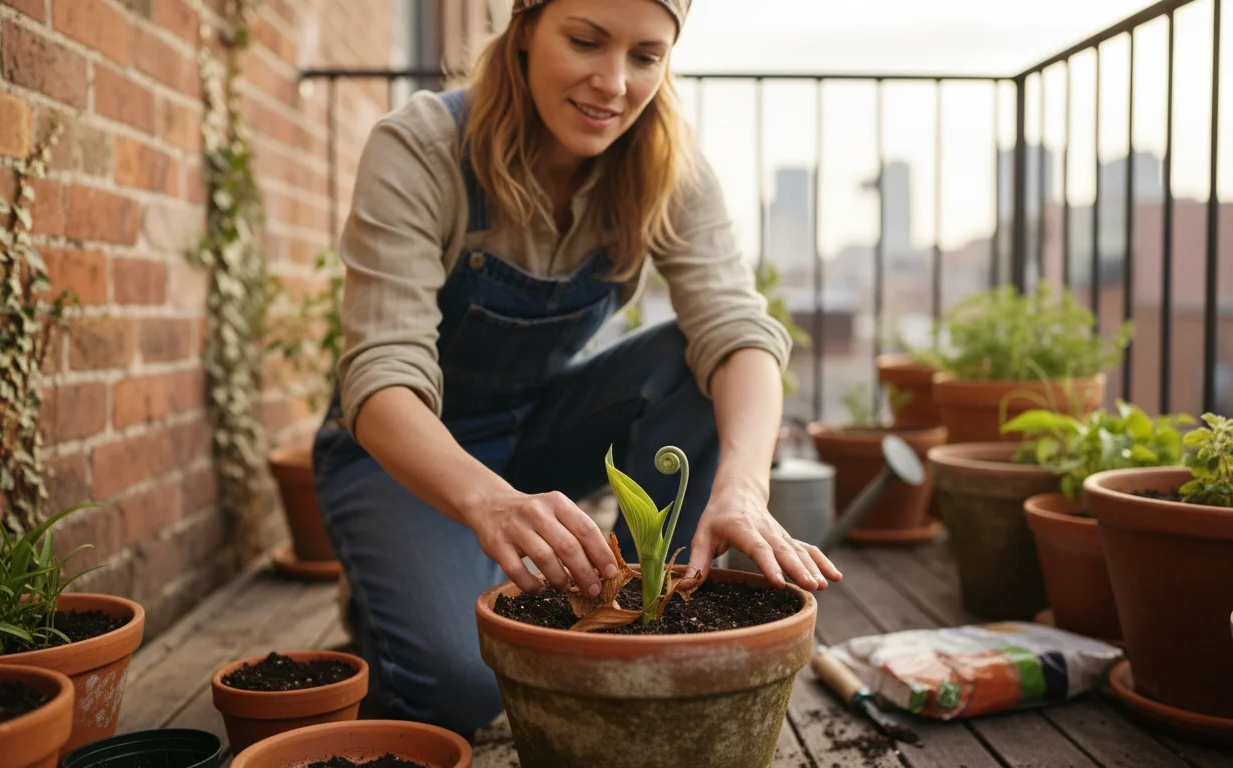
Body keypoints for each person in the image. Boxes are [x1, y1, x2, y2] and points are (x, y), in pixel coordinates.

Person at [311, 0, 842, 738]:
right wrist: (490, 505)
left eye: (646, 56)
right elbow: (379, 373)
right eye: (586, 41)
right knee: (464, 689)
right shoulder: (422, 145)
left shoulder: (665, 165)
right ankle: (391, 592)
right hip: (401, 453)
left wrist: (745, 492)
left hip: (535, 434)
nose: (613, 83)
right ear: (525, 30)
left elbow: (739, 331)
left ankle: (638, 617)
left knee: (689, 365)